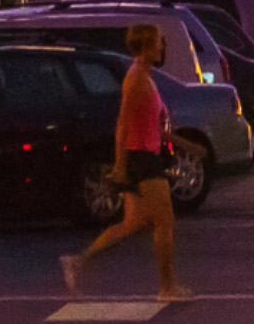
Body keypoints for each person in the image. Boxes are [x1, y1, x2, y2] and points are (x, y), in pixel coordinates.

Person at [63, 25, 188, 302]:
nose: (162, 46)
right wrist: (120, 165)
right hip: (141, 158)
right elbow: (123, 122)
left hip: (143, 155)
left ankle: (78, 261)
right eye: (159, 42)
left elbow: (153, 125)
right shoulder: (135, 78)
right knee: (164, 221)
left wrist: (185, 145)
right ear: (146, 45)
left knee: (132, 223)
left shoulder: (145, 76)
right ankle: (167, 288)